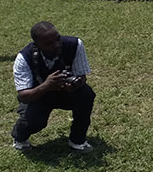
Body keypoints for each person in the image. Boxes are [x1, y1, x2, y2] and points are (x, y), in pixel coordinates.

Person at [10, 22, 96, 152]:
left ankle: (77, 141)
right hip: (37, 95)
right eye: (49, 43)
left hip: (65, 93)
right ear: (37, 45)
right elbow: (23, 96)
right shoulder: (24, 58)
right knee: (34, 122)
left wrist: (74, 85)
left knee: (86, 94)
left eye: (58, 39)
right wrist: (46, 85)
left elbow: (82, 76)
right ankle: (19, 138)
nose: (57, 45)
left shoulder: (74, 45)